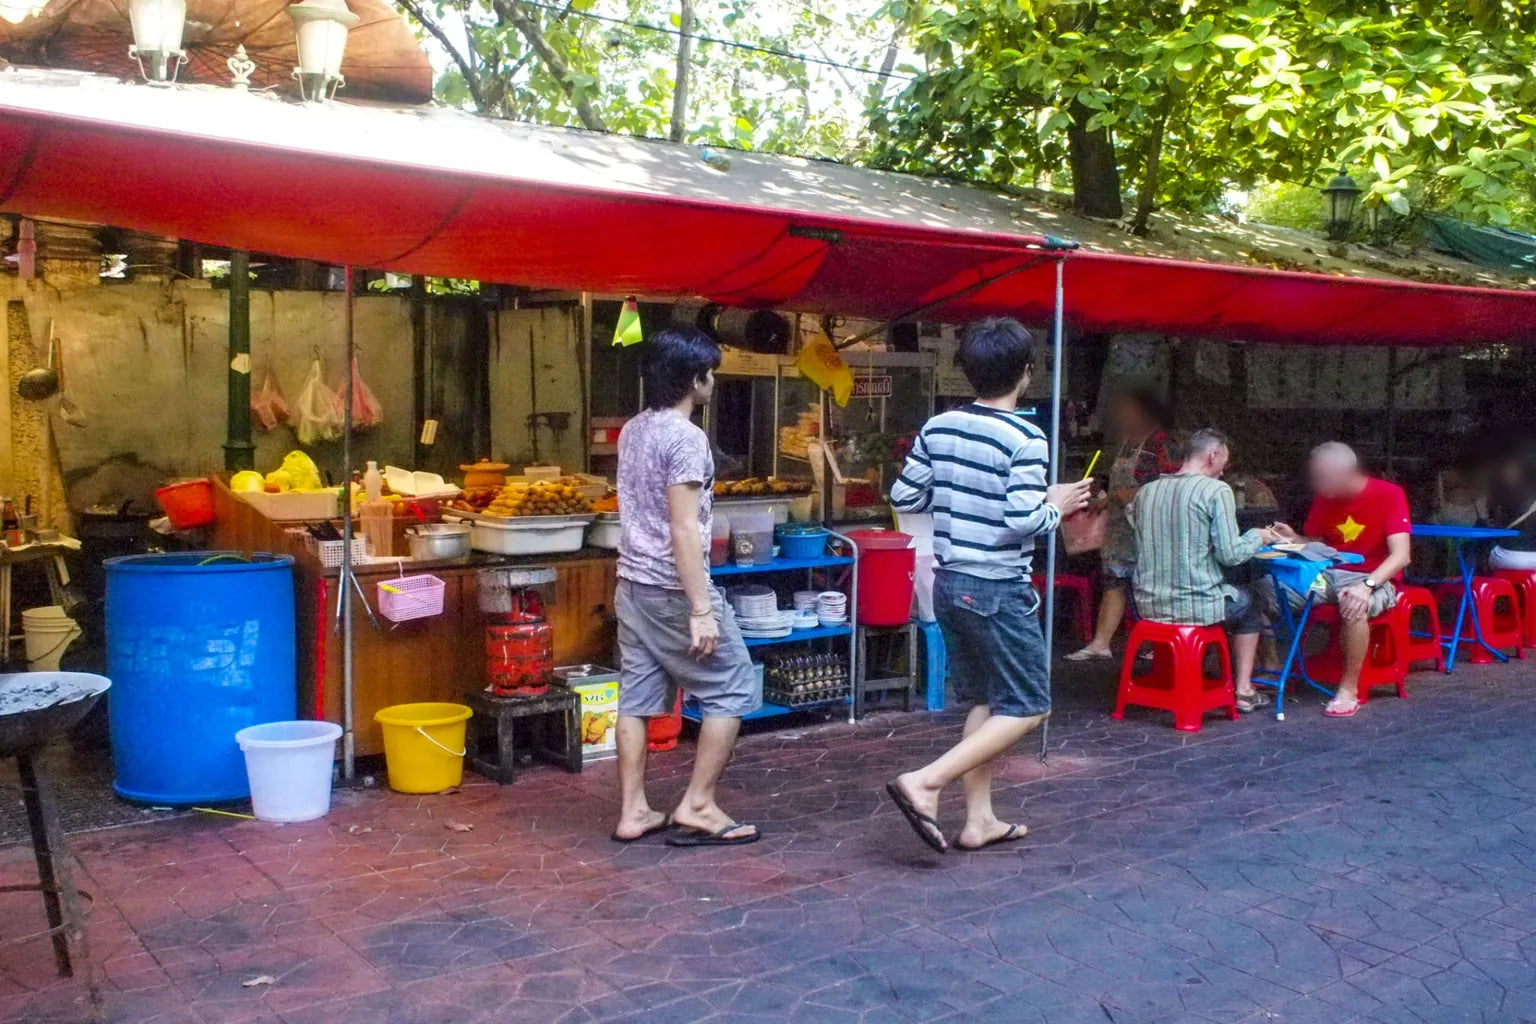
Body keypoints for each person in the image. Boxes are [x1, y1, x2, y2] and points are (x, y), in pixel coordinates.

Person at [885, 318, 1093, 854]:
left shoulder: (939, 427)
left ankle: (979, 820)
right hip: (996, 587)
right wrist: (1057, 504)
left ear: (967, 371)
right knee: (1029, 704)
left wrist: (962, 495)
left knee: (986, 700)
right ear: (1027, 372)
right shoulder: (1026, 437)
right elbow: (1025, 521)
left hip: (950, 583)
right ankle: (925, 782)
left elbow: (905, 498)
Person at [611, 326, 760, 847]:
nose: (714, 380)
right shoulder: (686, 438)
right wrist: (701, 608)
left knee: (636, 696)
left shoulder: (634, 430)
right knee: (734, 684)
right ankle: (698, 805)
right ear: (695, 380)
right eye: (710, 372)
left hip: (632, 582)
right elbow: (683, 527)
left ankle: (633, 811)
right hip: (674, 587)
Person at [1130, 429, 1280, 714]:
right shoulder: (1216, 491)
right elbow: (1231, 555)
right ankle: (1244, 691)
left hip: (1149, 605)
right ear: (1213, 455)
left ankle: (1194, 672)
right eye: (1224, 463)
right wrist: (1257, 536)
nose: (1223, 472)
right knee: (1252, 603)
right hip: (1195, 605)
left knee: (1229, 596)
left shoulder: (1147, 491)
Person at [1271, 442, 1411, 718]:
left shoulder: (1389, 494)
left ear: (1347, 473)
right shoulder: (1325, 496)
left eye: (1322, 477)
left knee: (1354, 604)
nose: (1316, 483)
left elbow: (1401, 555)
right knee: (1264, 591)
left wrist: (1366, 586)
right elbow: (1317, 543)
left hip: (1373, 577)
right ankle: (1272, 670)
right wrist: (1293, 539)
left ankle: (1348, 689)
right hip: (1328, 574)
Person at [1067, 386, 1180, 661]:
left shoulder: (1160, 443)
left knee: (1148, 584)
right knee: (1115, 580)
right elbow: (1119, 479)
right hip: (1120, 526)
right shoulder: (1127, 439)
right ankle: (1100, 643)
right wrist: (1102, 490)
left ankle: (1157, 643)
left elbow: (1168, 486)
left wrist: (1117, 496)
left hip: (1148, 527)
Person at [1487, 440, 1536, 571]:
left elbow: (1497, 524)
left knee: (1489, 551)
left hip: (1511, 555)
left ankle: (1492, 580)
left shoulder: (1511, 493)